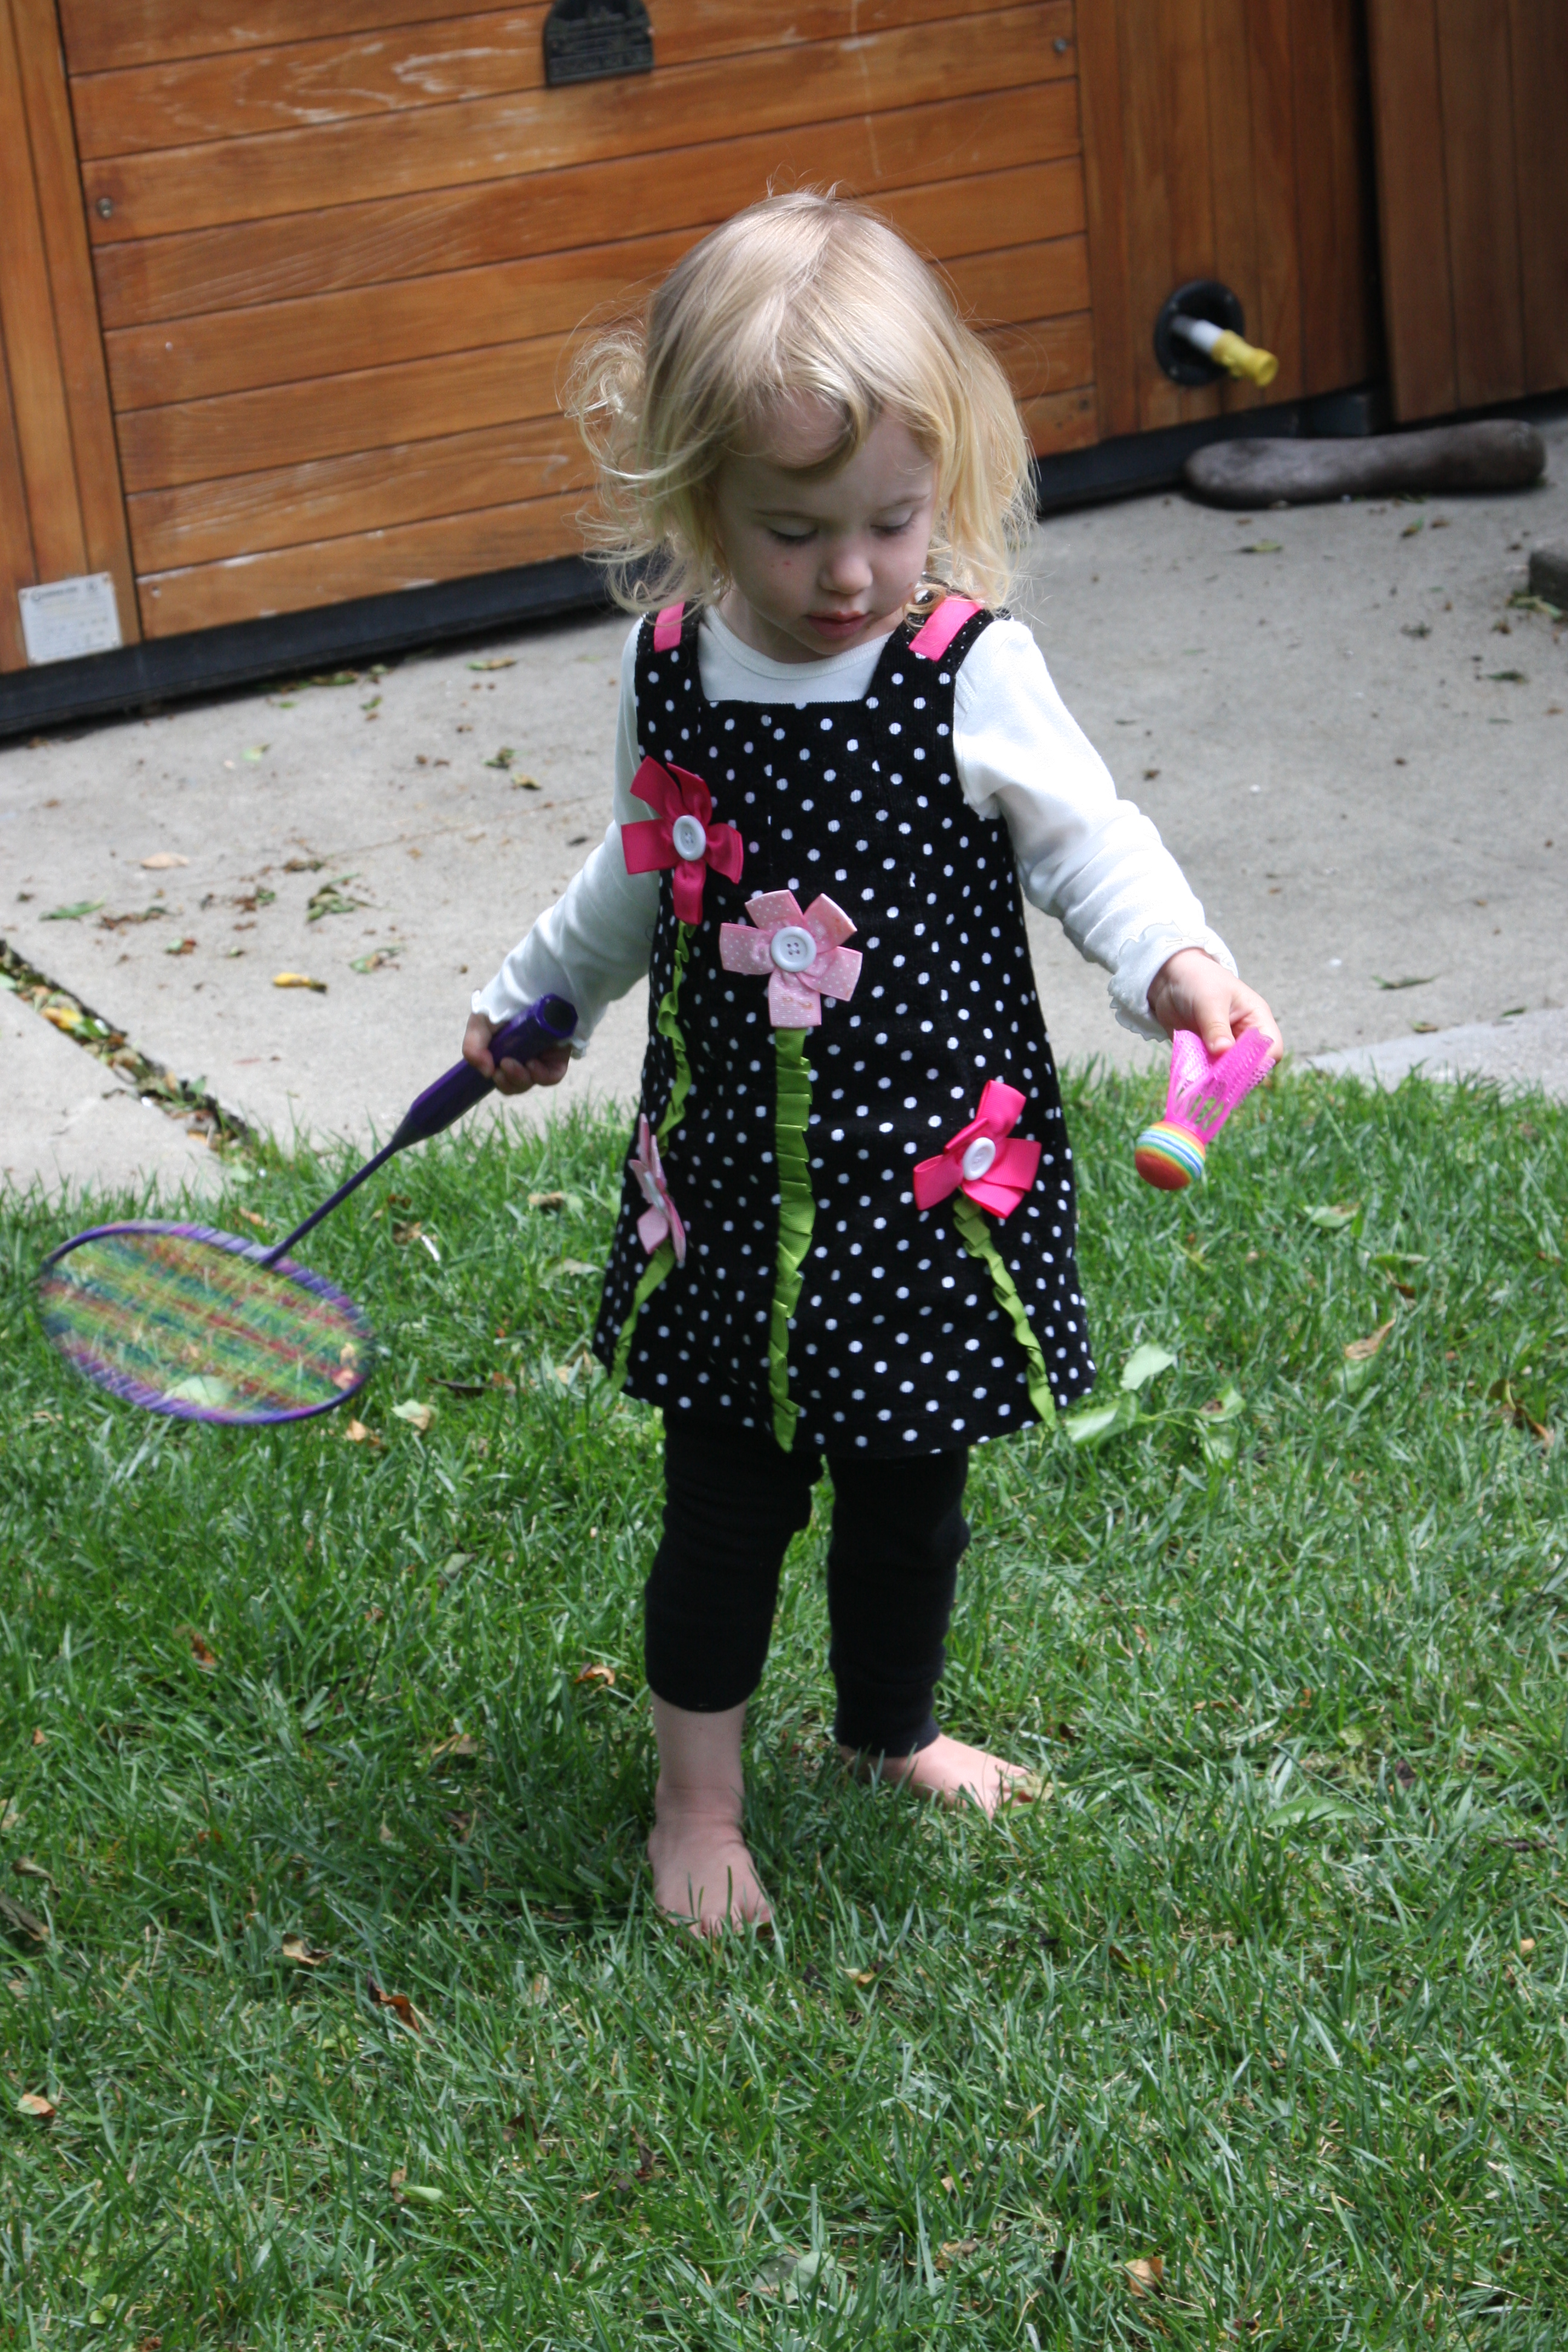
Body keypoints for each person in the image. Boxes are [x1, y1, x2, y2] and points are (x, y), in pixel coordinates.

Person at [464, 192, 1281, 1932]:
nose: (849, 572)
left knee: (912, 1501)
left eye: (891, 522)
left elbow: (1090, 844)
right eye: (794, 531)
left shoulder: (967, 670)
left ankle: (888, 1730)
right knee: (725, 1508)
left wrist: (1178, 964)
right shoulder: (672, 672)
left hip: (923, 1195)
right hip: (735, 1201)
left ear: (945, 480)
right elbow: (637, 871)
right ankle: (696, 1809)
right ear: (699, 504)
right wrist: (540, 1000)